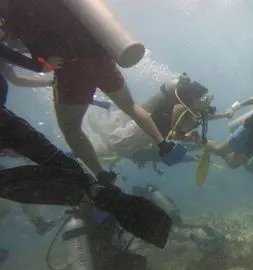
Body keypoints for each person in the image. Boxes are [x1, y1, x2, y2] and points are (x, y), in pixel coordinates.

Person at [5, 0, 184, 182]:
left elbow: (31, 45)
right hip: (101, 59)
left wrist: (40, 64)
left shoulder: (15, 8)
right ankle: (164, 145)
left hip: (72, 69)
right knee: (129, 106)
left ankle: (102, 176)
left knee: (71, 129)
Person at [85, 73, 232, 169]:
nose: (208, 101)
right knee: (114, 143)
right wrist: (194, 138)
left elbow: (207, 115)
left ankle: (108, 115)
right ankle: (85, 152)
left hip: (152, 137)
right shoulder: (180, 109)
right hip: (142, 132)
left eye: (209, 97)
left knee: (124, 148)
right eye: (205, 99)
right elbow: (173, 134)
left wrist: (226, 114)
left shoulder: (196, 108)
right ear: (192, 100)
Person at [132, 184, 225, 254]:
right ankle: (204, 227)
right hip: (173, 212)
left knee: (170, 235)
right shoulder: (154, 193)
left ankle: (198, 239)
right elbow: (169, 201)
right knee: (180, 224)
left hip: (167, 217)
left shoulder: (147, 198)